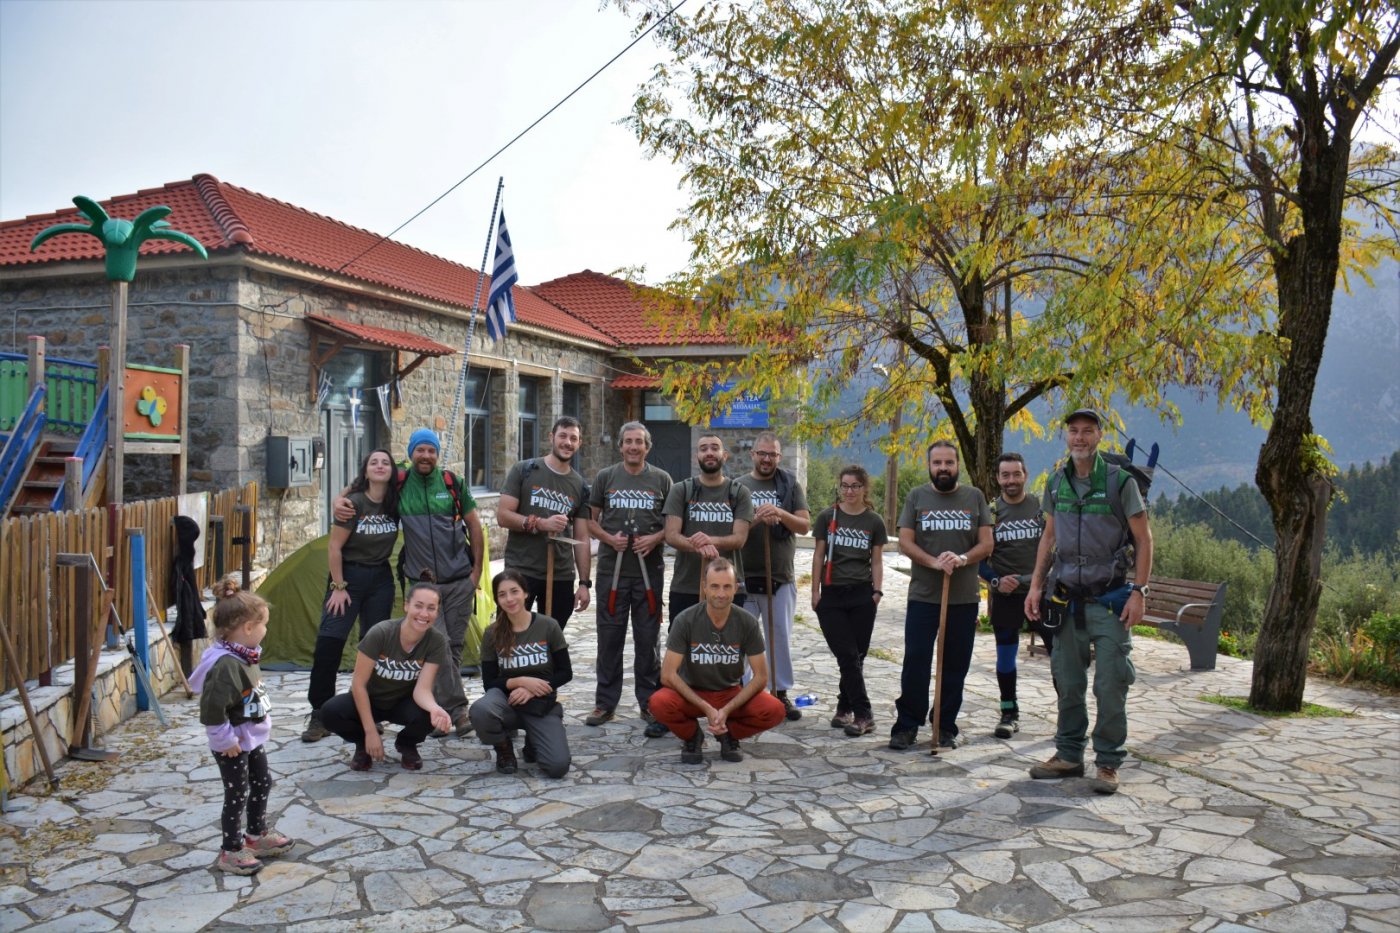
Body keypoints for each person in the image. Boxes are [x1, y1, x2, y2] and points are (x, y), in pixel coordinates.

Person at [1025, 408, 1153, 795]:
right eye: (1073, 432)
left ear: (1100, 436)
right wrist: (1035, 587)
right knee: (1068, 681)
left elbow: (1144, 539)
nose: (1079, 438)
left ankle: (1109, 762)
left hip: (1111, 600)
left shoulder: (1120, 483)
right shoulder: (1056, 482)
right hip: (1066, 599)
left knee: (1112, 682)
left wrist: (1140, 592)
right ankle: (1068, 755)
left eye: (1087, 431)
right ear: (1066, 436)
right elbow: (1048, 539)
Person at [337, 428, 483, 738]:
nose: (426, 456)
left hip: (459, 580)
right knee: (440, 646)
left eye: (431, 450)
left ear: (437, 454)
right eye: (420, 450)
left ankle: (437, 712)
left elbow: (474, 526)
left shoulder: (452, 483)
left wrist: (476, 575)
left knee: (453, 648)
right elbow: (363, 482)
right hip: (423, 584)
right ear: (412, 453)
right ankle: (457, 711)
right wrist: (340, 500)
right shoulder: (400, 482)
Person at [889, 440, 993, 750]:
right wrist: (933, 561)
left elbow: (986, 544)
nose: (943, 468)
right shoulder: (917, 497)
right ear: (929, 466)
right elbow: (904, 542)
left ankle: (944, 724)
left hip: (963, 597)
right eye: (937, 463)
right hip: (923, 595)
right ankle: (907, 724)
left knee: (954, 664)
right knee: (917, 660)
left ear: (957, 465)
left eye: (949, 463)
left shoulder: (974, 497)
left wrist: (962, 558)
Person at [190, 576, 294, 875]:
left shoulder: (244, 654)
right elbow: (212, 710)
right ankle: (231, 850)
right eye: (264, 624)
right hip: (233, 744)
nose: (266, 630)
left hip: (250, 738)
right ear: (248, 628)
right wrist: (224, 741)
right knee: (237, 794)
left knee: (262, 782)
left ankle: (256, 834)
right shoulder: (226, 665)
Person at [303, 448, 400, 743]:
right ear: (365, 470)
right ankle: (320, 713)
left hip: (381, 579)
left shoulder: (396, 501)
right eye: (374, 462)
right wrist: (339, 586)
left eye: (385, 462)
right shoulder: (353, 504)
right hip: (348, 578)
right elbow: (334, 548)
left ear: (392, 470)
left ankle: (368, 711)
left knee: (374, 649)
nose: (380, 466)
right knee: (329, 643)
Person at [649, 559, 786, 764]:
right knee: (658, 703)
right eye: (714, 586)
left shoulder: (747, 622)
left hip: (729, 692)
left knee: (775, 710)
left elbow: (761, 676)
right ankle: (692, 736)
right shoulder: (685, 620)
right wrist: (706, 707)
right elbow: (668, 675)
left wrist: (727, 709)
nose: (721, 594)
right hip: (692, 692)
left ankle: (728, 735)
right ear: (704, 587)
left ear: (735, 588)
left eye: (727, 586)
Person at [585, 421, 673, 736]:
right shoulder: (605, 478)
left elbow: (673, 525)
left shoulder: (662, 480)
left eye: (639, 442)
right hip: (613, 572)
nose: (634, 447)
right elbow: (589, 522)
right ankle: (605, 702)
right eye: (628, 442)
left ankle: (650, 702)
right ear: (621, 446)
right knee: (609, 638)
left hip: (649, 573)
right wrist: (609, 539)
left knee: (648, 641)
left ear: (647, 447)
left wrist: (655, 539)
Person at [318, 582, 455, 772]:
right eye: (418, 606)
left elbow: (422, 689)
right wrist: (370, 731)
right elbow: (358, 685)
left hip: (402, 703)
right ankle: (363, 745)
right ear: (406, 606)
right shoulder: (381, 633)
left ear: (437, 612)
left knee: (429, 714)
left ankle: (406, 744)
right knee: (329, 712)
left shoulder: (436, 641)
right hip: (370, 699)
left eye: (431, 608)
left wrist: (435, 709)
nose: (424, 614)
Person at [470, 569, 574, 778]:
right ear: (497, 600)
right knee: (480, 710)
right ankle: (504, 748)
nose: (509, 599)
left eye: (514, 591)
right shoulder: (492, 633)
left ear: (525, 593)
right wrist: (520, 681)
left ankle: (534, 741)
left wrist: (534, 690)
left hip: (541, 703)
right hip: (507, 702)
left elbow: (565, 672)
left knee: (557, 767)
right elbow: (489, 683)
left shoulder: (548, 626)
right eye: (502, 594)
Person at [737, 431, 811, 721]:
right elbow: (736, 528)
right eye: (762, 453)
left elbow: (803, 525)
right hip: (744, 575)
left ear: (779, 458)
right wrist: (758, 518)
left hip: (779, 575)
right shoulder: (739, 485)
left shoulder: (790, 485)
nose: (767, 459)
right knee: (742, 640)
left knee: (779, 637)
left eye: (773, 455)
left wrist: (779, 513)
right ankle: (743, 694)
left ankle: (780, 693)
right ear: (753, 454)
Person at [811, 465, 887, 737]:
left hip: (862, 593)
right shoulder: (826, 517)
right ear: (839, 487)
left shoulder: (874, 521)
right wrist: (815, 591)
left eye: (855, 485)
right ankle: (865, 713)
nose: (849, 491)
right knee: (846, 653)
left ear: (864, 488)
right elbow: (819, 555)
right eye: (845, 485)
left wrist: (877, 592)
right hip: (831, 593)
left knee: (856, 657)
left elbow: (876, 560)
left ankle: (845, 707)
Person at [496, 416, 592, 629]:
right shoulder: (525, 470)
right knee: (511, 633)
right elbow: (503, 516)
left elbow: (582, 537)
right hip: (521, 571)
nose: (567, 442)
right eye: (563, 436)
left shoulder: (581, 486)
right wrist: (540, 523)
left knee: (551, 638)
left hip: (560, 575)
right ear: (551, 437)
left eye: (573, 438)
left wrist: (584, 583)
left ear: (579, 443)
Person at [978, 452, 1046, 738]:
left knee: (1061, 655)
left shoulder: (1040, 508)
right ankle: (1009, 712)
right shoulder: (991, 512)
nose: (1011, 480)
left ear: (1025, 475)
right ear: (998, 478)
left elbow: (1054, 548)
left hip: (1041, 594)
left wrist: (1036, 581)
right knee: (1006, 658)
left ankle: (1068, 719)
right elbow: (979, 558)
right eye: (1005, 475)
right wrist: (995, 581)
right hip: (1006, 598)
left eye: (1016, 474)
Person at [663, 433, 753, 622]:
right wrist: (699, 546)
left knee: (728, 647)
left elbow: (740, 538)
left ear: (725, 455)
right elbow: (671, 535)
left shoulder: (739, 493)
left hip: (728, 587)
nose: (709, 453)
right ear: (697, 456)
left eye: (714, 448)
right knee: (683, 647)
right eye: (704, 449)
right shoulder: (681, 490)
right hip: (687, 585)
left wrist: (710, 541)